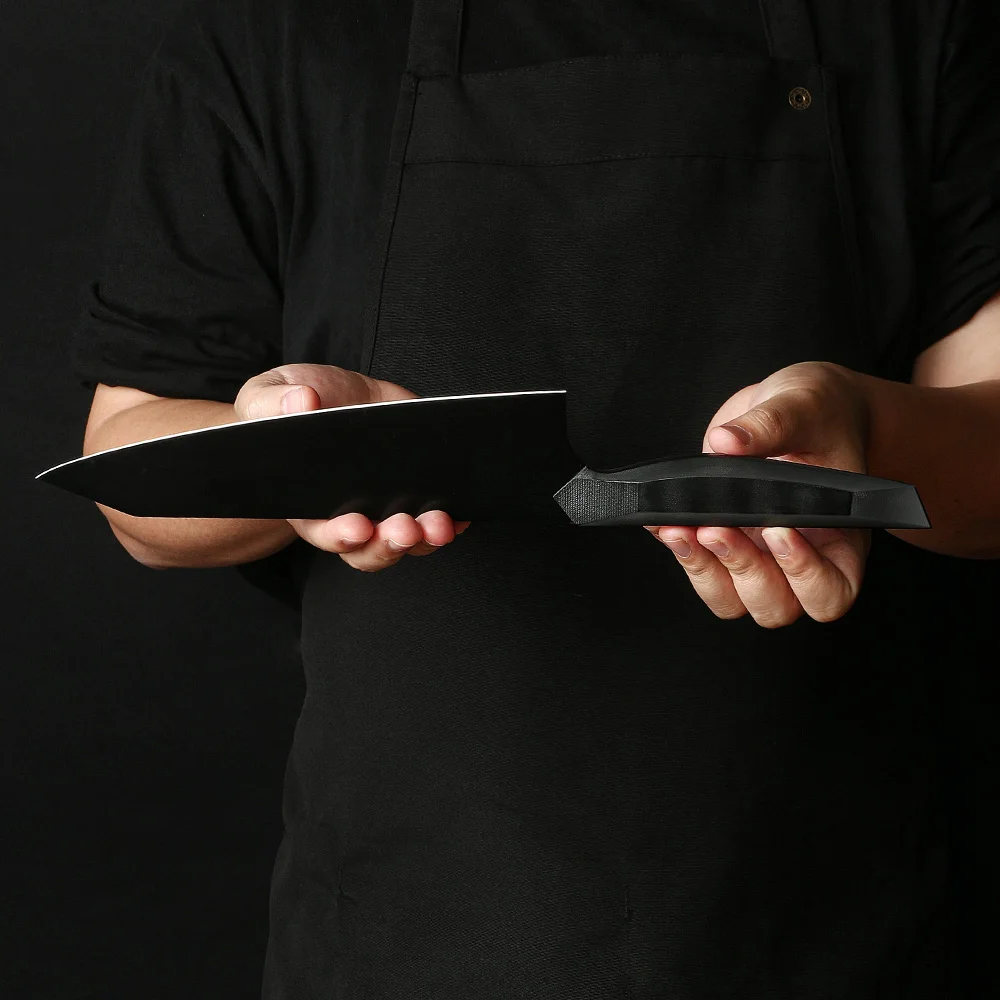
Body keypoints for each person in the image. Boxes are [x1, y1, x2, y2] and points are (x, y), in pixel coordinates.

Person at [72, 0, 1000, 996]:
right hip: (405, 931)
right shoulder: (270, 29)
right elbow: (130, 479)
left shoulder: (920, 22)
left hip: (829, 923)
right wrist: (291, 445)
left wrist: (864, 423)